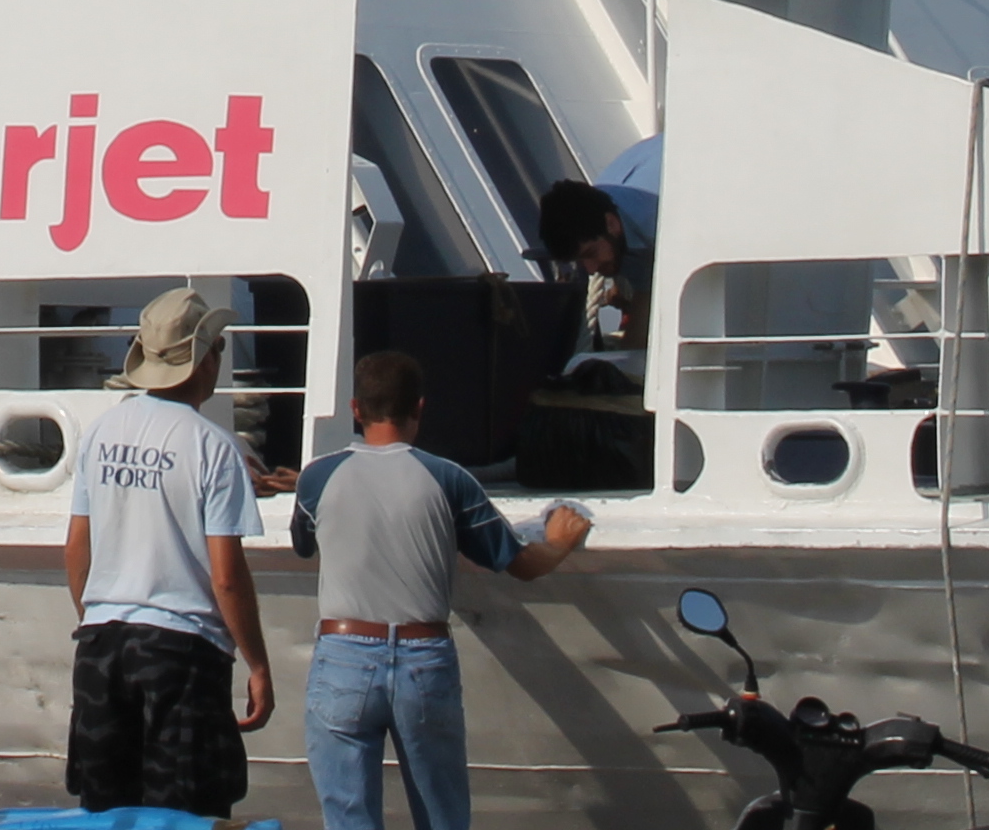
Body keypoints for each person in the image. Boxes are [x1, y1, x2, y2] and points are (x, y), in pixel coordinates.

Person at [288, 350, 591, 830]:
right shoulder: (449, 479)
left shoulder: (317, 478)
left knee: (348, 820)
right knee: (443, 816)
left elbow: (304, 544)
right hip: (421, 654)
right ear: (420, 408)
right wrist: (560, 543)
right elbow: (520, 564)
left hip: (343, 653)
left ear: (355, 409)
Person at [61, 286, 274, 818]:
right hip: (182, 652)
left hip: (101, 646)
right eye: (219, 348)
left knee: (106, 812)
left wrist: (96, 616)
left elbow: (77, 548)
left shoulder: (102, 433)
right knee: (186, 813)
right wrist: (258, 663)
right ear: (204, 360)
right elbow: (226, 576)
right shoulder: (214, 447)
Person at [515, 179, 653, 490]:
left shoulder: (659, 227)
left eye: (591, 253)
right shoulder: (599, 219)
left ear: (612, 223)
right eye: (581, 260)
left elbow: (645, 312)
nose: (590, 270)